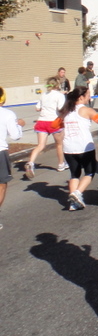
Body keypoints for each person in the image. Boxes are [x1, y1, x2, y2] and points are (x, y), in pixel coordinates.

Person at [55, 87, 98, 211]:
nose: (90, 98)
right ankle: (77, 193)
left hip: (69, 148)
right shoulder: (87, 110)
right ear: (81, 97)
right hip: (84, 146)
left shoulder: (65, 111)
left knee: (74, 174)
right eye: (88, 95)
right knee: (90, 172)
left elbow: (54, 125)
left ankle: (73, 203)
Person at [26, 77, 67, 178]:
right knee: (59, 144)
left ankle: (31, 162)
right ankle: (61, 164)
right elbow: (61, 108)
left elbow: (37, 108)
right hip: (54, 122)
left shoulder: (43, 95)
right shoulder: (59, 95)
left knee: (40, 145)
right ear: (57, 85)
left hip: (42, 121)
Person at [0, 86, 25, 230]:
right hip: (0, 151)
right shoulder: (8, 114)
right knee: (2, 185)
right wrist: (19, 125)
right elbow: (16, 135)